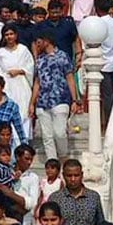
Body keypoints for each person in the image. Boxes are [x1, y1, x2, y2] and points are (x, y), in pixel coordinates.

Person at [30, 32, 80, 162]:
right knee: (47, 136)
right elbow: (37, 82)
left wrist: (74, 100)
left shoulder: (62, 56)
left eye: (38, 41)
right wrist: (32, 103)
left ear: (46, 40)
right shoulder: (39, 60)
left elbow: (70, 78)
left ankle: (63, 157)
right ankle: (52, 163)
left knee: (59, 133)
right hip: (42, 102)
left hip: (60, 99)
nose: (36, 45)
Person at [0, 24, 35, 144]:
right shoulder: (0, 52)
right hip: (7, 87)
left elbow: (30, 67)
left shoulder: (23, 49)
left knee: (23, 113)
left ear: (16, 35)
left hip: (21, 86)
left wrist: (20, 71)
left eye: (11, 34)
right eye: (6, 34)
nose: (9, 37)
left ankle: (23, 143)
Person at [48, 159, 104, 225]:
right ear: (63, 176)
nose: (73, 179)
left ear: (82, 175)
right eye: (69, 176)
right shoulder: (55, 198)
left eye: (76, 175)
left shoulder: (93, 197)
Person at [34, 159, 63, 225]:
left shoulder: (59, 182)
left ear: (58, 170)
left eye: (52, 168)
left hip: (54, 207)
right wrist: (36, 208)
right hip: (43, 206)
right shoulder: (43, 181)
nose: (49, 170)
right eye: (47, 168)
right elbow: (41, 197)